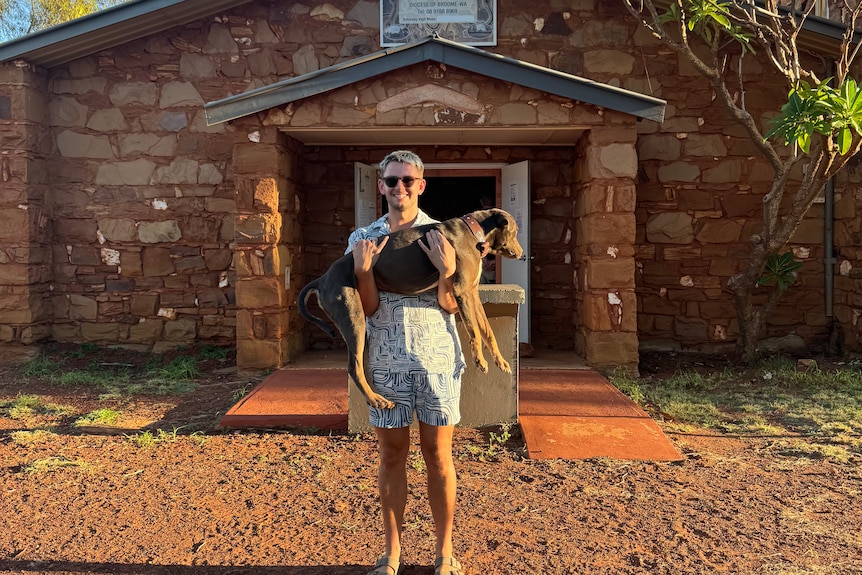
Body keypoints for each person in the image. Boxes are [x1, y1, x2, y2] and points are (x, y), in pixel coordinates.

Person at [345, 150, 466, 575]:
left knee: (438, 456)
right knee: (392, 456)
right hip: (383, 360)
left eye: (407, 181)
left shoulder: (442, 234)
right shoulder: (363, 239)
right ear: (381, 186)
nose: (400, 188)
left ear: (421, 185)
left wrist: (448, 272)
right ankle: (392, 554)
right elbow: (368, 309)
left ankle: (444, 553)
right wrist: (363, 273)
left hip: (436, 359)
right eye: (392, 181)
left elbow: (453, 307)